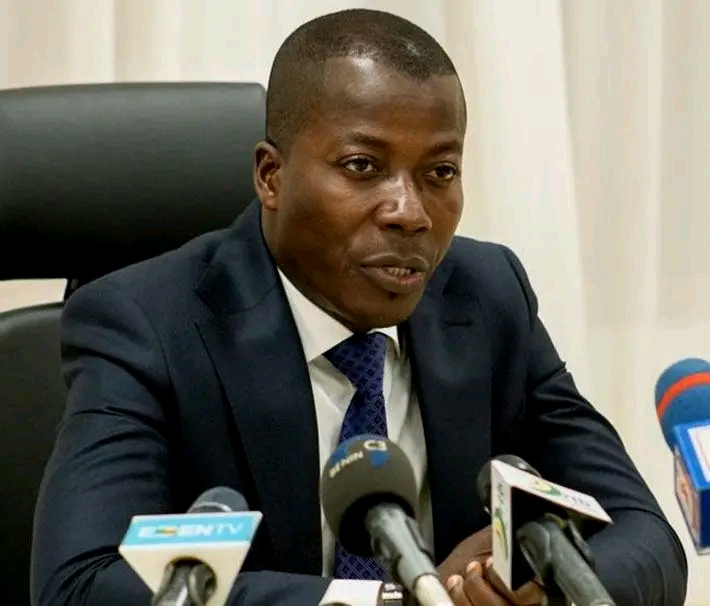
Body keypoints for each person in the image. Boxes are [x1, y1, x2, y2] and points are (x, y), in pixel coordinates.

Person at [31, 8, 687, 606]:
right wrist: (400, 600)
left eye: (440, 172)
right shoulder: (145, 324)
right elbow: (79, 584)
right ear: (271, 176)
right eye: (363, 166)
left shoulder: (487, 298)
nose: (409, 212)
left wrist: (544, 591)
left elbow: (646, 538)